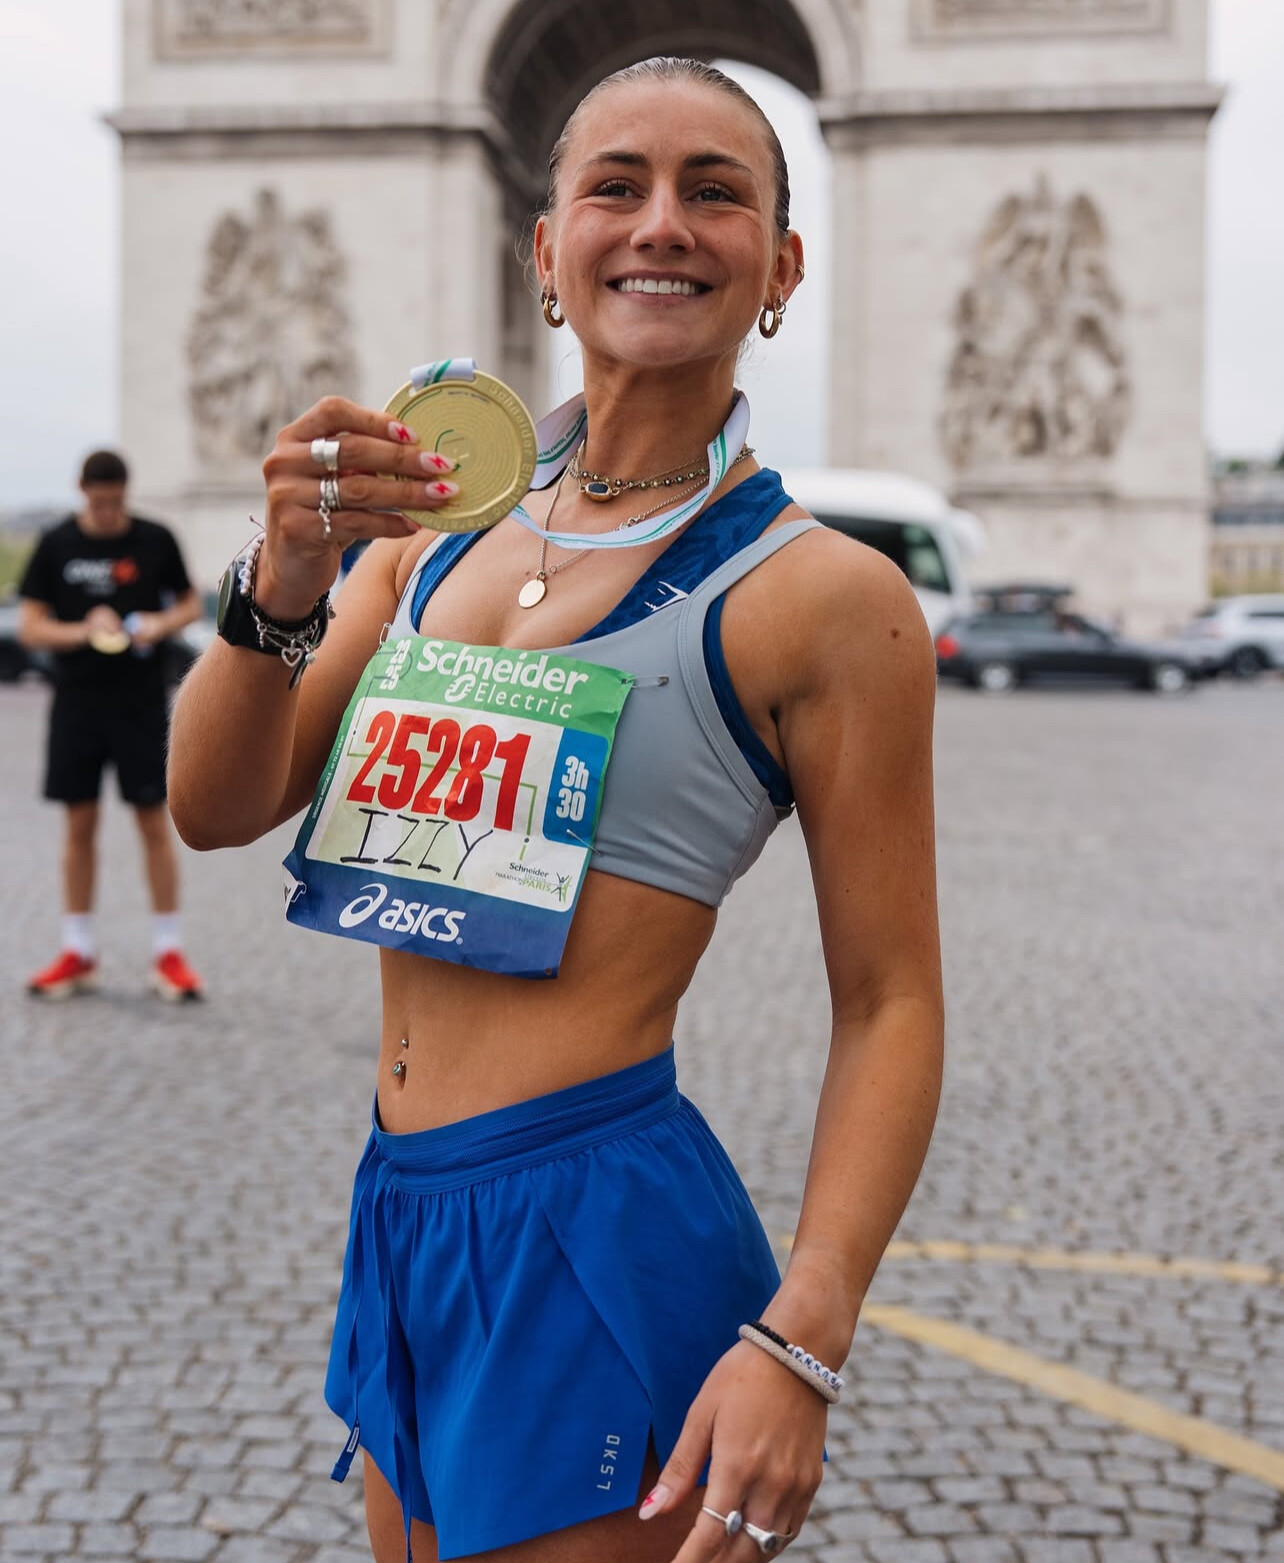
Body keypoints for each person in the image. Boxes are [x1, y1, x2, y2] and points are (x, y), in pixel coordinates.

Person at [168, 58, 943, 1563]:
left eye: (715, 192)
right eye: (616, 186)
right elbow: (215, 802)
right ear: (544, 249)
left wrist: (805, 1336)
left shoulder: (829, 600)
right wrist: (281, 579)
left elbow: (892, 997)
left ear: (783, 267)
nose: (662, 224)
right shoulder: (426, 543)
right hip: (405, 1205)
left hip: (597, 1225)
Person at [19, 449, 205, 1000]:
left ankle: (168, 952)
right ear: (82, 490)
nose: (107, 512)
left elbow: (190, 605)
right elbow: (31, 628)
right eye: (99, 502)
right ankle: (77, 950)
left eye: (116, 502)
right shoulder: (56, 543)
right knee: (79, 824)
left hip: (140, 702)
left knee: (153, 823)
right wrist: (84, 629)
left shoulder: (155, 539)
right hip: (77, 703)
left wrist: (158, 624)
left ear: (126, 492)